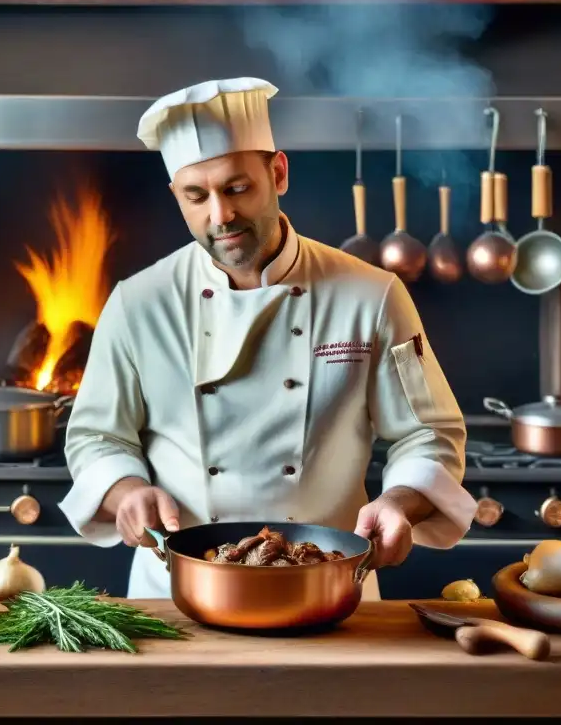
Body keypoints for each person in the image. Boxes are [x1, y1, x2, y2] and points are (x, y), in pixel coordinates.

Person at [60, 77, 477, 600]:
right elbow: (98, 436)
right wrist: (126, 491)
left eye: (237, 188)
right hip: (174, 593)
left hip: (325, 586)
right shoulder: (137, 303)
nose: (221, 216)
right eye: (196, 197)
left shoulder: (371, 295)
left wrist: (399, 502)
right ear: (176, 197)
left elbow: (427, 432)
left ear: (277, 172)